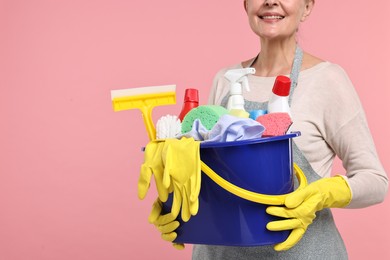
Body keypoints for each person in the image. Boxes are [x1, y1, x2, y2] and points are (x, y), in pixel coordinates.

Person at [149, 0, 388, 259]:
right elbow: (211, 174)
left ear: (307, 7)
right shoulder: (225, 80)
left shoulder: (327, 80)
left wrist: (326, 193)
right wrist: (178, 203)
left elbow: (376, 181)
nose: (270, 1)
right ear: (246, 5)